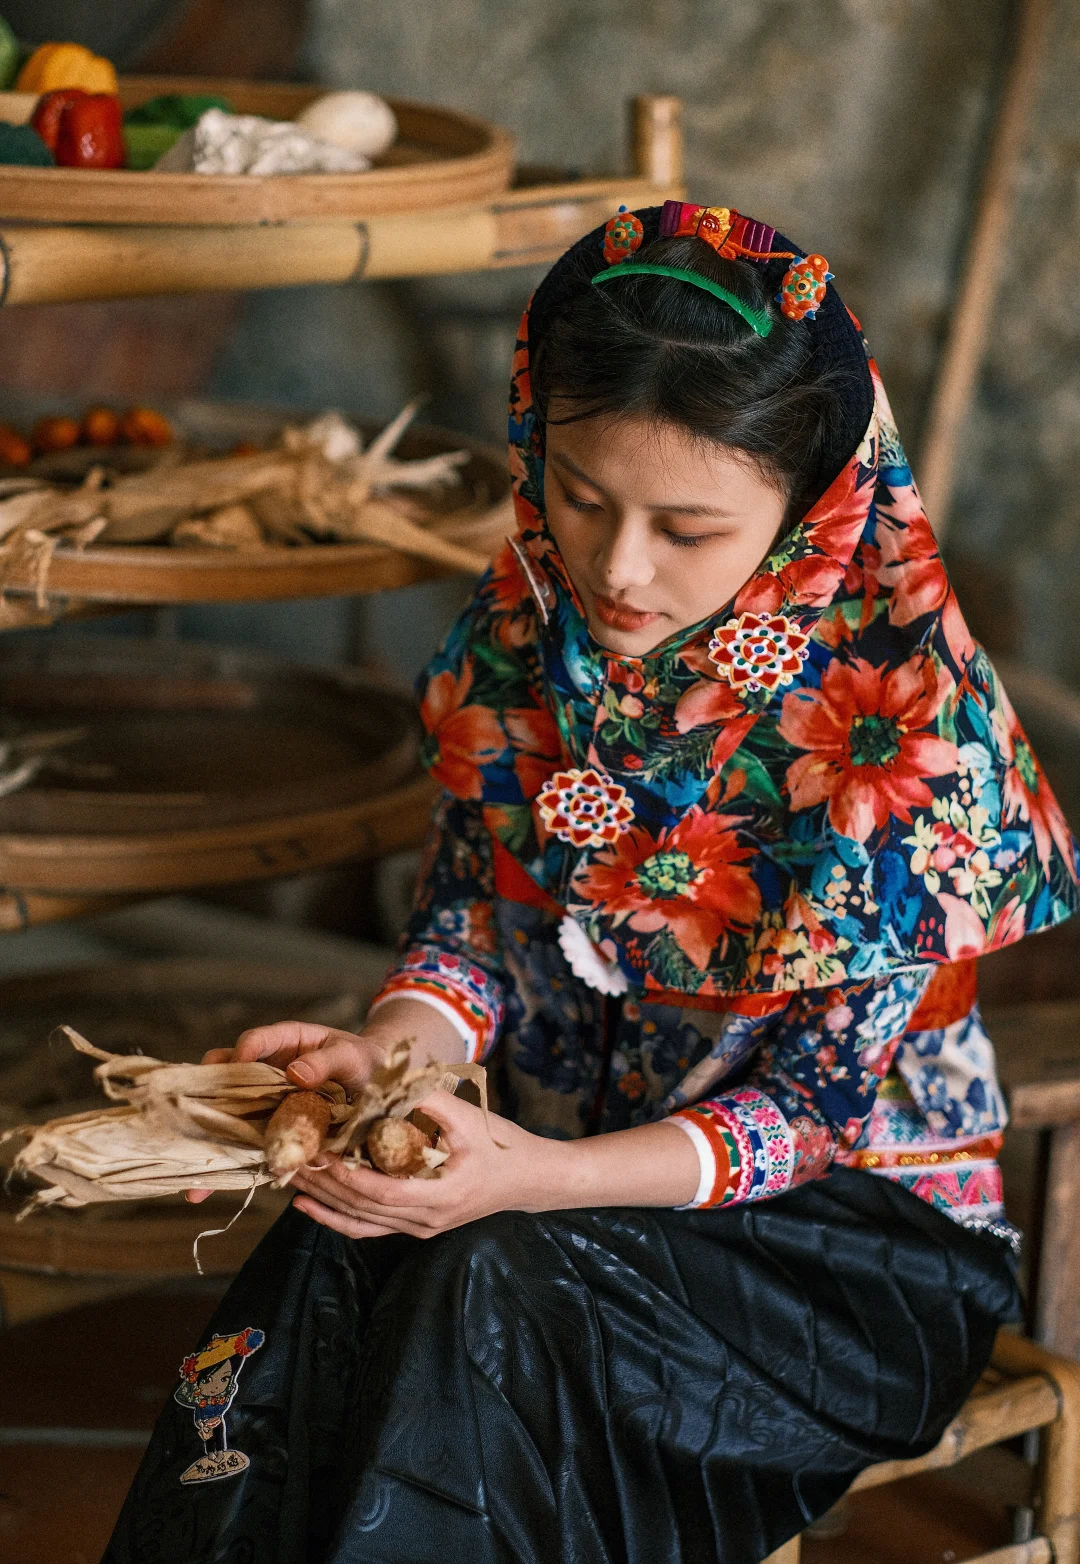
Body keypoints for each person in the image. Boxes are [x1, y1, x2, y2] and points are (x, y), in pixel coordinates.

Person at [103, 203, 1079, 1564]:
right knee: (345, 1224)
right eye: (580, 497)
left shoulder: (898, 735)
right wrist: (388, 1064)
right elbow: (467, 934)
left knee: (489, 1282)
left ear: (812, 505)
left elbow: (808, 1117)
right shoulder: (520, 640)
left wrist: (536, 1180)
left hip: (847, 1257)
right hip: (554, 1186)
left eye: (687, 527)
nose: (619, 570)